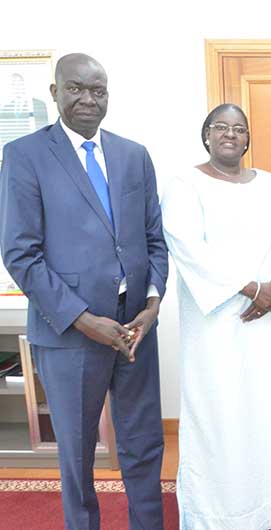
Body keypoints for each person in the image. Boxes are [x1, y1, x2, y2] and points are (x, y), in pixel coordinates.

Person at [0, 53, 168, 530]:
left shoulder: (133, 155)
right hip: (71, 332)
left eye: (98, 90)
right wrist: (83, 319)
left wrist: (152, 303)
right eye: (76, 88)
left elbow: (154, 239)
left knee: (143, 441)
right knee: (76, 452)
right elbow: (20, 253)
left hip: (135, 326)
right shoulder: (25, 155)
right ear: (55, 92)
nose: (88, 99)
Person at [160, 103, 271, 530]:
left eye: (239, 128)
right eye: (220, 127)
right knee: (221, 409)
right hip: (217, 322)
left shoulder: (270, 183)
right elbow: (188, 247)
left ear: (247, 139)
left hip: (270, 319)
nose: (230, 134)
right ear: (206, 134)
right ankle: (221, 513)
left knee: (270, 407)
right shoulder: (184, 185)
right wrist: (251, 288)